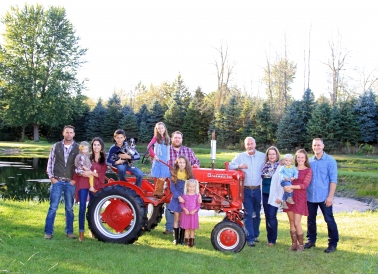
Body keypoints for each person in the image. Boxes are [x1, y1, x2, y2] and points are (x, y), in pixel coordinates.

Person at [44, 125, 79, 240]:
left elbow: (80, 166)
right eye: (67, 132)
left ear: (74, 134)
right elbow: (50, 162)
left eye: (71, 132)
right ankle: (48, 232)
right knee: (53, 207)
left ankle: (69, 232)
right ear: (63, 133)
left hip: (70, 182)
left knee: (69, 208)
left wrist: (75, 180)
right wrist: (51, 177)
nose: (69, 134)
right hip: (57, 181)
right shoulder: (56, 146)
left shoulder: (78, 148)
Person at [162, 131, 200, 235]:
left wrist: (195, 166)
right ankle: (169, 228)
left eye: (179, 138)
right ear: (172, 139)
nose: (177, 139)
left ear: (181, 139)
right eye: (175, 138)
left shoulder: (188, 151)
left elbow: (196, 162)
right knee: (170, 203)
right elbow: (159, 162)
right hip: (170, 180)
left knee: (184, 206)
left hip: (185, 183)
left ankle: (184, 229)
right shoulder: (166, 151)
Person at [229, 137, 265, 247]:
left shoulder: (262, 156)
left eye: (251, 143)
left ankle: (255, 235)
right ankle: (249, 238)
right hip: (246, 189)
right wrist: (239, 166)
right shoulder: (240, 157)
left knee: (257, 213)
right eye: (247, 144)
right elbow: (230, 166)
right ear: (245, 146)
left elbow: (273, 161)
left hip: (258, 189)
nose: (250, 146)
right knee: (248, 213)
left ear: (255, 144)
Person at [305, 138, 339, 253]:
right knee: (310, 220)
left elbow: (333, 180)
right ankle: (311, 240)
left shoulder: (330, 161)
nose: (316, 147)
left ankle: (333, 243)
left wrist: (330, 197)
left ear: (323, 146)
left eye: (318, 145)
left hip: (324, 197)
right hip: (310, 196)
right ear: (312, 146)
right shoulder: (309, 161)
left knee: (329, 219)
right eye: (314, 145)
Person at [74, 137, 108, 241]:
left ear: (101, 146)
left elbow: (101, 175)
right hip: (84, 184)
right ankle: (81, 232)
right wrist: (84, 173)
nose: (96, 147)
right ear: (91, 146)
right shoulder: (86, 156)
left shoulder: (104, 160)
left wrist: (91, 173)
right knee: (82, 208)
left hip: (96, 186)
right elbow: (78, 168)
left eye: (98, 145)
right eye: (94, 145)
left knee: (94, 209)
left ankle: (93, 229)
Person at [282, 149, 312, 252]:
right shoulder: (291, 168)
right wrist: (285, 186)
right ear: (295, 158)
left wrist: (291, 186)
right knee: (291, 221)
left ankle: (301, 245)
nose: (300, 159)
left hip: (300, 197)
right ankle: (294, 244)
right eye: (298, 157)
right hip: (289, 196)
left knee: (297, 222)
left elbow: (304, 185)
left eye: (302, 157)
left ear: (305, 159)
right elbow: (284, 179)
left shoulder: (308, 170)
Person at [168, 155, 194, 245]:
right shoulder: (174, 173)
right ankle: (175, 239)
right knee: (176, 218)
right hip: (176, 198)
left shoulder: (189, 174)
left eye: (183, 162)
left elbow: (193, 185)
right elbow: (172, 187)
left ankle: (182, 239)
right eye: (180, 162)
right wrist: (178, 197)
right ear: (177, 163)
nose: (182, 164)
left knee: (183, 219)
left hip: (186, 199)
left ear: (186, 163)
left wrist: (195, 196)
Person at [261, 146, 283, 247]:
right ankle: (269, 239)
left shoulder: (281, 167)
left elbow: (283, 183)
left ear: (277, 155)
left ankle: (273, 240)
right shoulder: (264, 166)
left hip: (275, 195)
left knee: (272, 216)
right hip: (265, 193)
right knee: (267, 216)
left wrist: (281, 197)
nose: (271, 156)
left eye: (273, 154)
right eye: (269, 154)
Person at [147, 122, 171, 198]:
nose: (160, 130)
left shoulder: (167, 138)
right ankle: (157, 191)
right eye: (158, 128)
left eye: (162, 128)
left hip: (165, 159)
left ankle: (159, 191)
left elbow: (168, 150)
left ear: (164, 128)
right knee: (163, 175)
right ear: (156, 129)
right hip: (158, 158)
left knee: (164, 175)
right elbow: (149, 147)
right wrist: (154, 155)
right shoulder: (156, 137)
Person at [180, 179, 201, 247]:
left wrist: (194, 211)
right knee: (186, 229)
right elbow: (182, 204)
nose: (191, 188)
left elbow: (198, 205)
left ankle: (191, 243)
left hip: (193, 215)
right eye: (190, 186)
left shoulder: (197, 196)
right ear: (187, 186)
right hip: (186, 214)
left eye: (193, 186)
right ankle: (186, 242)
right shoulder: (184, 195)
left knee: (192, 229)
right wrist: (185, 209)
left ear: (196, 187)